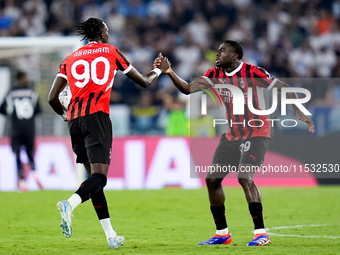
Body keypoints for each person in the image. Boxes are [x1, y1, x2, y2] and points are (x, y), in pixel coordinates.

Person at [154, 40, 315, 246]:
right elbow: (187, 89)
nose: (217, 54)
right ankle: (222, 233)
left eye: (222, 51)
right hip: (232, 136)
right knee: (212, 180)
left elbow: (283, 88)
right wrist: (169, 72)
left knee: (244, 176)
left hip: (257, 132)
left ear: (235, 56)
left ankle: (261, 234)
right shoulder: (214, 74)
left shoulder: (253, 71)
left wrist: (299, 111)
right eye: (217, 50)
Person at [48, 17, 170, 249]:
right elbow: (144, 82)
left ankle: (111, 235)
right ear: (103, 34)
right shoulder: (111, 51)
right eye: (107, 31)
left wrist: (66, 115)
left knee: (94, 182)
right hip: (97, 119)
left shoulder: (70, 58)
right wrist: (159, 70)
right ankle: (69, 204)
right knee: (100, 178)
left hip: (74, 121)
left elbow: (52, 99)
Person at [0, 70, 42, 192]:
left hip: (16, 129)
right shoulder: (32, 92)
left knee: (17, 155)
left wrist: (12, 115)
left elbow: (2, 109)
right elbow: (38, 110)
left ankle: (22, 181)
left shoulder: (11, 93)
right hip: (29, 129)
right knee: (30, 153)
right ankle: (35, 175)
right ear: (21, 78)